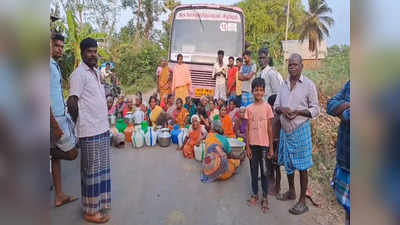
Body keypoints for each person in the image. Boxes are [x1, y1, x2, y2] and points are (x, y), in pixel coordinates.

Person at [67, 38, 111, 223]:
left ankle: (97, 204)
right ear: (82, 52)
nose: (93, 55)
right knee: (91, 172)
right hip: (89, 131)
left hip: (101, 128)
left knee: (100, 170)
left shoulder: (94, 72)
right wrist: (81, 123)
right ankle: (90, 212)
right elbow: (72, 103)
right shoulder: (78, 74)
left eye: (95, 51)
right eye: (90, 51)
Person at [274, 53, 320, 215]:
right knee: (288, 164)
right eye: (290, 64)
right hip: (285, 132)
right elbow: (276, 105)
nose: (292, 67)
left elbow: (316, 109)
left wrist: (298, 112)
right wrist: (283, 110)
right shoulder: (283, 84)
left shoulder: (308, 85)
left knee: (302, 167)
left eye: (295, 64)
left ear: (302, 66)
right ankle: (292, 191)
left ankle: (302, 201)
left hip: (300, 131)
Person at [50, 33, 79, 208]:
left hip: (60, 116)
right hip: (53, 119)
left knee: (56, 160)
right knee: (72, 152)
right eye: (56, 46)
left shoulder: (54, 65)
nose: (60, 49)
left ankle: (59, 195)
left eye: (62, 46)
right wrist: (53, 124)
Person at [245, 77, 274, 213]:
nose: (258, 92)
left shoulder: (267, 107)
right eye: (256, 90)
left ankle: (265, 197)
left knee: (264, 172)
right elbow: (247, 129)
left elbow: (269, 129)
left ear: (264, 91)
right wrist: (247, 146)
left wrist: (271, 148)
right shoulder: (249, 109)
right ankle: (255, 194)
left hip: (264, 146)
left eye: (261, 90)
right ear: (252, 91)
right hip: (253, 145)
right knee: (253, 171)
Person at [326, 81, 350, 225]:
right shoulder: (350, 85)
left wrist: (342, 110)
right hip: (346, 159)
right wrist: (348, 105)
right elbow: (330, 105)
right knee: (348, 209)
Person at [267, 94, 282, 195]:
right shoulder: (271, 115)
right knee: (269, 164)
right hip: (269, 143)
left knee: (277, 166)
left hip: (276, 143)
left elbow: (280, 135)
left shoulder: (279, 117)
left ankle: (277, 187)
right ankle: (270, 180)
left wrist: (276, 151)